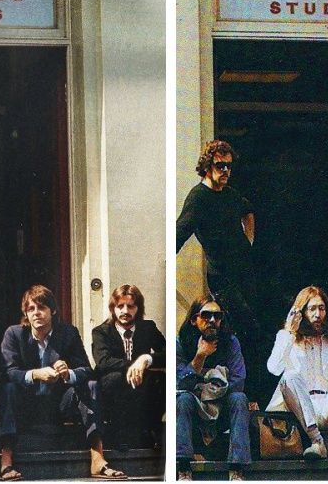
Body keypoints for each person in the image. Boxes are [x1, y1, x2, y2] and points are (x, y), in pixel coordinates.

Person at [0, 284, 127, 481]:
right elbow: (9, 372)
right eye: (31, 309)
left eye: (41, 308)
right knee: (8, 389)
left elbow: (86, 370)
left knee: (91, 386)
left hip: (58, 405)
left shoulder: (67, 333)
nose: (36, 313)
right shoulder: (14, 334)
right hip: (26, 406)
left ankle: (97, 457)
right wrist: (35, 374)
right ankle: (6, 461)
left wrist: (68, 374)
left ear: (53, 310)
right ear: (25, 313)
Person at [176, 140, 261, 398]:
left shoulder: (230, 194)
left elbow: (248, 211)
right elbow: (179, 232)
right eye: (219, 166)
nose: (225, 171)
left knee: (253, 331)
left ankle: (251, 395)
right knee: (239, 330)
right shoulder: (198, 198)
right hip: (223, 278)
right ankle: (237, 393)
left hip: (245, 274)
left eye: (228, 167)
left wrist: (249, 240)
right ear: (207, 167)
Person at [266, 286, 328, 459]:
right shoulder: (287, 337)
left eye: (322, 308)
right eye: (312, 309)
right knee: (290, 376)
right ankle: (317, 441)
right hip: (299, 410)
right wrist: (290, 331)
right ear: (301, 311)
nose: (318, 314)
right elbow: (274, 368)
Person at [176, 295, 250, 481]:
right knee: (183, 399)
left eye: (217, 316)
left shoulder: (230, 342)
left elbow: (238, 379)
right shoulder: (182, 342)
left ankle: (236, 467)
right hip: (193, 409)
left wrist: (208, 393)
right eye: (206, 315)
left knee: (239, 398)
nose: (212, 321)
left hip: (221, 406)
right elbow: (179, 383)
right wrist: (200, 356)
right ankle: (183, 467)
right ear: (194, 319)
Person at [91, 284, 165, 449]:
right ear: (113, 308)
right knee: (116, 379)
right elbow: (104, 361)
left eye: (130, 306)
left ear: (138, 308)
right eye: (120, 306)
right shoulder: (101, 331)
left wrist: (146, 359)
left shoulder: (148, 328)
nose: (125, 311)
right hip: (112, 383)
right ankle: (117, 434)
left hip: (141, 384)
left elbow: (169, 353)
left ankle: (150, 430)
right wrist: (133, 365)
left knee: (161, 379)